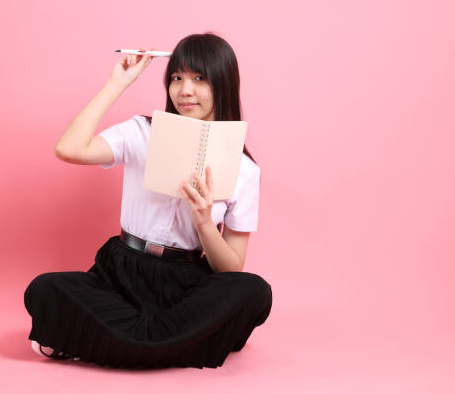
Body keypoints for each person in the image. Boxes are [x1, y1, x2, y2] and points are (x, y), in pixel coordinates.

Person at [24, 32, 272, 369]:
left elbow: (230, 268)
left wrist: (203, 222)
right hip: (121, 272)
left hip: (186, 282)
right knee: (43, 289)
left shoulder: (244, 169)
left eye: (199, 78)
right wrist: (117, 83)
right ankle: (176, 347)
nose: (185, 90)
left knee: (255, 291)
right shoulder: (141, 132)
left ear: (223, 82)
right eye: (176, 77)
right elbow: (69, 149)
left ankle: (107, 343)